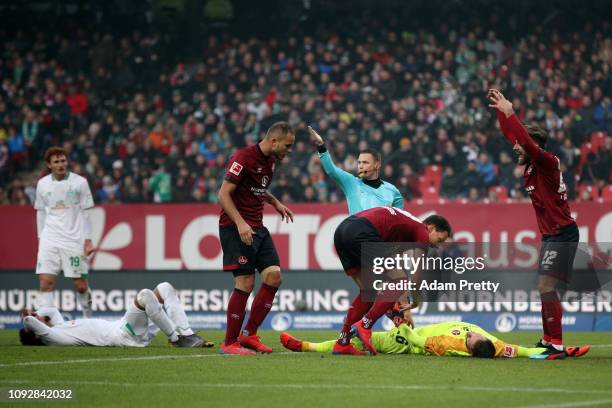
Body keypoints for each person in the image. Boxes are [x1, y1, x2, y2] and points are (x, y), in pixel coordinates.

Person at [487, 89, 587, 359]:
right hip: (551, 236)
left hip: (563, 234)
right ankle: (549, 339)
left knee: (546, 287)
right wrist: (501, 112)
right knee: (545, 288)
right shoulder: (532, 165)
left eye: (519, 144)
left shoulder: (546, 162)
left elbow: (524, 142)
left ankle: (554, 344)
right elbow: (514, 136)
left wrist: (511, 113)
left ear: (533, 145)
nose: (514, 147)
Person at [217, 121, 295, 355]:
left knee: (273, 277)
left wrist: (274, 202)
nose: (288, 151)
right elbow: (223, 193)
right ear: (274, 141)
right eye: (287, 146)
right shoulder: (243, 157)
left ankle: (249, 334)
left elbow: (256, 187)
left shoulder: (270, 161)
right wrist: (240, 223)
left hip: (257, 228)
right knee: (245, 283)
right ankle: (230, 343)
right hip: (235, 227)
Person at [332, 206, 451, 355]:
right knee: (399, 282)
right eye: (439, 240)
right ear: (431, 228)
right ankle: (365, 325)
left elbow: (395, 274)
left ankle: (342, 343)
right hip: (362, 231)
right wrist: (415, 299)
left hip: (342, 231)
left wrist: (401, 307)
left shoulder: (402, 230)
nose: (437, 245)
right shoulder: (421, 230)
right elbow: (416, 272)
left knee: (369, 292)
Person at [280, 307, 590, 360]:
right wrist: (557, 353)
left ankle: (304, 345)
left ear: (467, 347)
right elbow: (523, 352)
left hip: (403, 342)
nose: (474, 336)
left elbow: (414, 339)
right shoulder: (493, 346)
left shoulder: (449, 344)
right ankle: (307, 344)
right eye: (477, 337)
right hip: (409, 330)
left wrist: (399, 320)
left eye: (471, 339)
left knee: (348, 341)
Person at [19, 282, 212, 348]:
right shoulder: (52, 337)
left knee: (164, 288)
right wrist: (29, 317)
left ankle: (186, 334)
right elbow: (28, 320)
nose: (37, 315)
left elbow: (51, 311)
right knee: (145, 295)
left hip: (124, 328)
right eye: (36, 318)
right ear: (35, 333)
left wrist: (37, 312)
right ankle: (175, 338)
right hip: (122, 336)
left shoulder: (58, 326)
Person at [34, 147, 95, 318]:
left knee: (80, 285)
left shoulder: (80, 182)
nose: (61, 164)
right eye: (56, 162)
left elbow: (86, 212)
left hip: (74, 239)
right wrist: (41, 239)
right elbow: (39, 211)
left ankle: (88, 319)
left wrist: (88, 240)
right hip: (49, 238)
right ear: (49, 165)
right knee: (46, 282)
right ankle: (46, 322)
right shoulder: (42, 184)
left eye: (63, 161)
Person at [308, 126, 403, 214]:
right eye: (359, 162)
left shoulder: (392, 191)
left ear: (376, 165)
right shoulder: (351, 182)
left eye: (365, 163)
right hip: (357, 232)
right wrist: (321, 146)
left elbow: (398, 221)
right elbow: (331, 170)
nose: (361, 166)